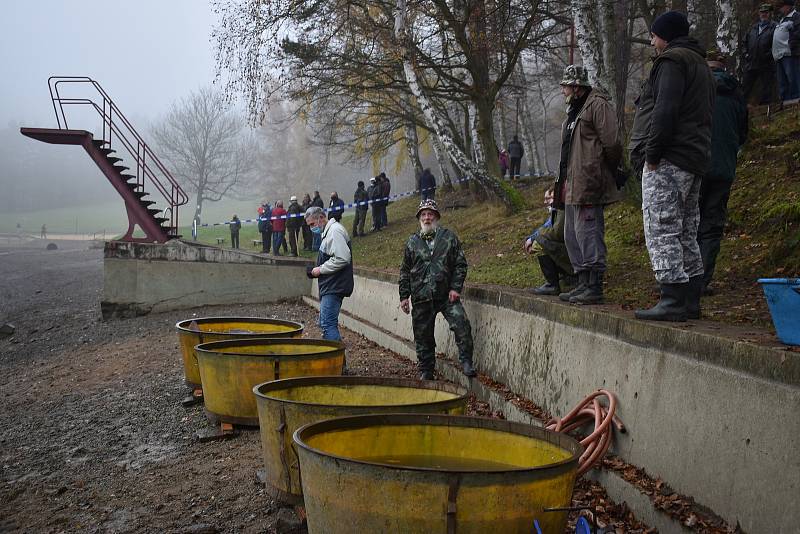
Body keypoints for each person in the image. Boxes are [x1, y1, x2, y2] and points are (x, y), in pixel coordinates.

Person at [634, 11, 714, 322]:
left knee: (662, 227)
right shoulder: (700, 64)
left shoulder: (671, 62)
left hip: (670, 157)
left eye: (654, 35)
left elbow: (664, 111)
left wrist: (652, 154)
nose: (652, 41)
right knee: (686, 230)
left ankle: (671, 297)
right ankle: (691, 298)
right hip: (694, 158)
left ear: (665, 35)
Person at [554, 64, 623, 305]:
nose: (563, 90)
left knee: (589, 233)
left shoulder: (597, 105)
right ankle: (582, 282)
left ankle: (594, 286)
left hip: (589, 182)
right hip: (572, 184)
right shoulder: (573, 111)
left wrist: (602, 170)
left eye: (565, 86)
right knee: (572, 235)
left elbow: (612, 143)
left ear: (576, 86)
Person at [399, 199, 477, 380]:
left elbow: (460, 264)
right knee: (423, 335)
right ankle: (426, 370)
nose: (427, 218)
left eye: (430, 214)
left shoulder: (449, 237)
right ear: (419, 218)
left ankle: (466, 361)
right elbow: (404, 270)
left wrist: (456, 288)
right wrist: (404, 296)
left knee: (462, 326)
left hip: (446, 295)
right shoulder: (412, 242)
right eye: (423, 215)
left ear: (436, 217)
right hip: (421, 296)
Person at [698, 51, 749, 295]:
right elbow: (743, 133)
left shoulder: (697, 89)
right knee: (712, 225)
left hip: (695, 166)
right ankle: (703, 280)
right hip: (724, 169)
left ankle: (685, 279)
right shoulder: (737, 93)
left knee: (690, 223)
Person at [305, 206, 354, 341]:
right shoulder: (328, 232)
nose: (311, 228)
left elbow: (342, 258)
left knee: (328, 324)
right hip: (331, 285)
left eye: (312, 224)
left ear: (321, 218)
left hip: (335, 285)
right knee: (324, 323)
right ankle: (334, 359)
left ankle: (338, 361)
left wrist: (319, 269)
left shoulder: (334, 231)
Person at [524, 189, 575, 295]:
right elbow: (546, 228)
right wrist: (533, 237)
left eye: (549, 198)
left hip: (572, 251)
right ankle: (560, 279)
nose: (546, 202)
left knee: (539, 244)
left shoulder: (562, 209)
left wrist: (535, 238)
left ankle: (553, 284)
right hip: (568, 248)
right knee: (539, 241)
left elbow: (557, 233)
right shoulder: (557, 209)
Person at [742, 4, 777, 105]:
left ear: (770, 13)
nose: (764, 14)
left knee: (767, 88)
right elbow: (744, 42)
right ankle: (741, 106)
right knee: (745, 87)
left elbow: (776, 44)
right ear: (759, 13)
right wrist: (745, 54)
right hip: (751, 62)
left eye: (766, 12)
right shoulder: (753, 27)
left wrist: (768, 55)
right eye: (762, 12)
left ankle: (765, 109)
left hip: (766, 63)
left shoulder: (774, 26)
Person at [773, 0, 800, 104]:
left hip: (790, 53)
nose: (780, 9)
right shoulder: (782, 19)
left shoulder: (796, 16)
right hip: (779, 54)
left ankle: (796, 97)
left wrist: (791, 43)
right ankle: (786, 99)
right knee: (782, 79)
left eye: (782, 7)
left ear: (788, 6)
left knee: (792, 75)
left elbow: (798, 32)